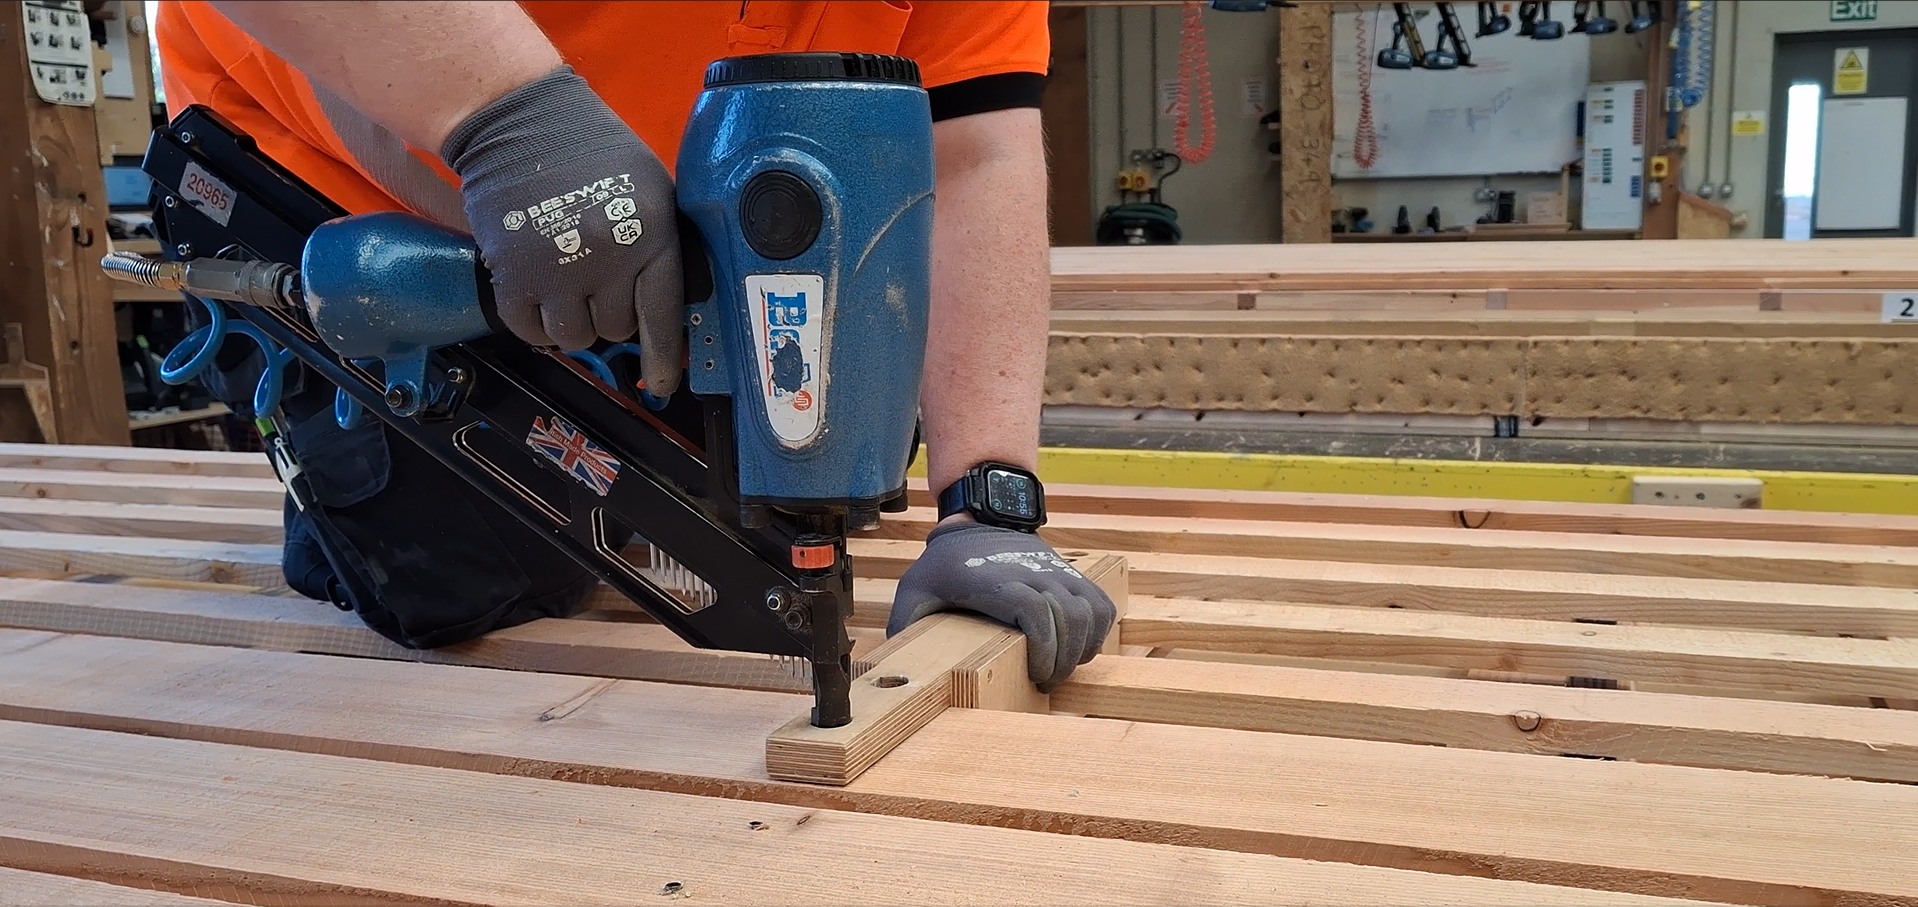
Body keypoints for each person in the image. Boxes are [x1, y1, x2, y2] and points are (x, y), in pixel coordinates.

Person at [154, 1, 1116, 691]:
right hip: (338, 177)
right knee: (467, 582)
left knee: (818, 442)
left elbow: (972, 152)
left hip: (680, 232)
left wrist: (984, 497)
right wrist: (510, 127)